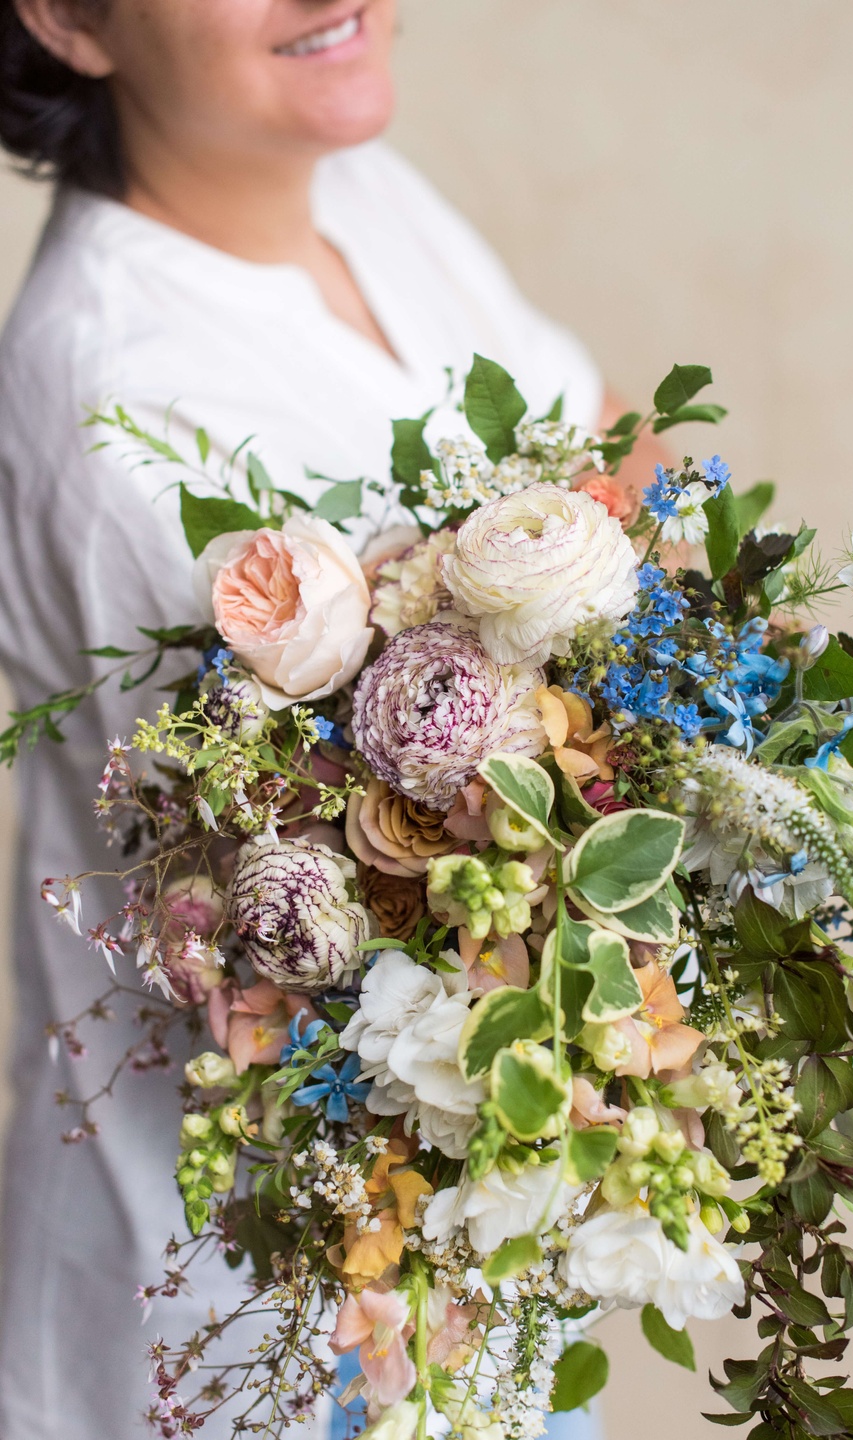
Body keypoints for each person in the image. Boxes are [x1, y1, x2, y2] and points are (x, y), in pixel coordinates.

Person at [0, 3, 656, 1436]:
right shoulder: (120, 409)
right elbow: (400, 913)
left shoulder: (350, 187)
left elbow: (626, 446)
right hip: (276, 1320)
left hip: (472, 1263)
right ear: (66, 20)